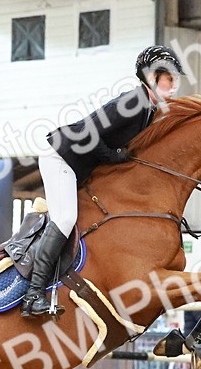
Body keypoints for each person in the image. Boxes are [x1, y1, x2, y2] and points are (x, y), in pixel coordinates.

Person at [21, 45, 185, 318]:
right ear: (151, 77)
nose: (173, 83)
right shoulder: (133, 102)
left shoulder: (149, 110)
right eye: (168, 77)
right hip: (61, 157)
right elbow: (89, 131)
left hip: (79, 166)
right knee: (64, 219)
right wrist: (113, 155)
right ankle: (33, 294)